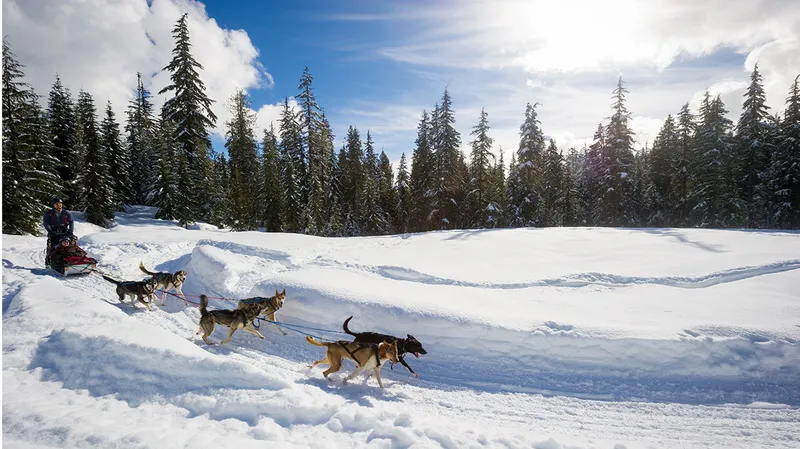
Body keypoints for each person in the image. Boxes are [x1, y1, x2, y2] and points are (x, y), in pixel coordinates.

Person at [43, 198, 74, 264]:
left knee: (70, 244)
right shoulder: (49, 213)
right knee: (52, 247)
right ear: (54, 205)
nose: (58, 205)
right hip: (53, 231)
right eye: (56, 204)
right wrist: (51, 231)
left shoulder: (66, 213)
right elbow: (46, 223)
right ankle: (49, 262)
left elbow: (71, 222)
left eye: (60, 204)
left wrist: (70, 232)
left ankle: (70, 259)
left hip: (64, 231)